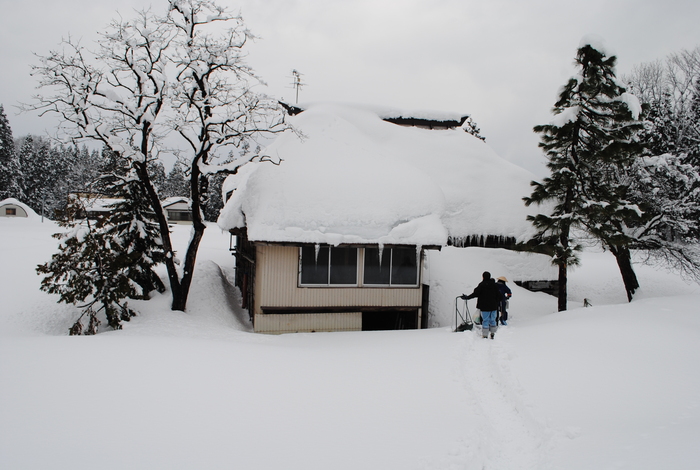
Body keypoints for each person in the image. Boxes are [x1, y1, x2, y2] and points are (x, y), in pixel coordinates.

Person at [462, 271, 503, 339]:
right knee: (493, 319)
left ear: (483, 277)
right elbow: (499, 296)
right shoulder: (494, 285)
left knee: (485, 320)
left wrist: (467, 297)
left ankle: (485, 334)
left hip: (484, 307)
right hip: (493, 306)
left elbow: (475, 293)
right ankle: (493, 333)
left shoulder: (481, 285)